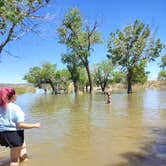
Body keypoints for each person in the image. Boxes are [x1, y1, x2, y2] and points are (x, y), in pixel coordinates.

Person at [0, 87, 41, 166]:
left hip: (1, 134)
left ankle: (25, 161)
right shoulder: (15, 108)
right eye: (15, 94)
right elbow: (21, 125)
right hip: (13, 134)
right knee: (14, 160)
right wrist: (34, 125)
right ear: (13, 96)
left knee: (22, 146)